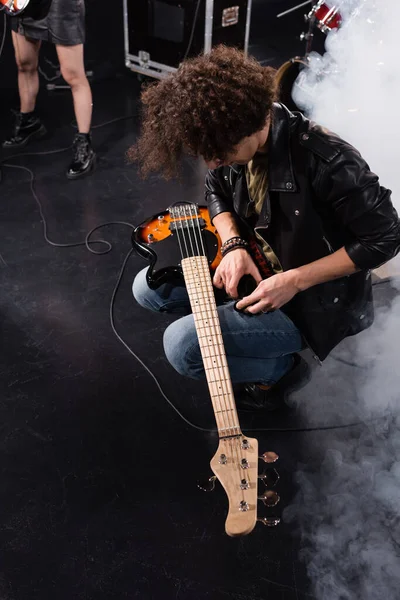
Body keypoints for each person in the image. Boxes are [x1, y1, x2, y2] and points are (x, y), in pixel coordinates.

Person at [130, 45, 400, 411]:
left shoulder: (329, 160)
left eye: (220, 151)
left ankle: (281, 369)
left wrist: (293, 280)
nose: (212, 161)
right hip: (256, 270)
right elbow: (216, 188)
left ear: (250, 124)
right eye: (206, 152)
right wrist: (233, 243)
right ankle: (236, 326)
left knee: (182, 347)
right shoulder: (234, 134)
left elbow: (386, 238)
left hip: (309, 301)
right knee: (147, 289)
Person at [2, 0, 96, 179]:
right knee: (24, 63)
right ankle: (28, 123)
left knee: (72, 74)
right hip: (24, 4)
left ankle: (84, 144)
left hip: (60, 5)